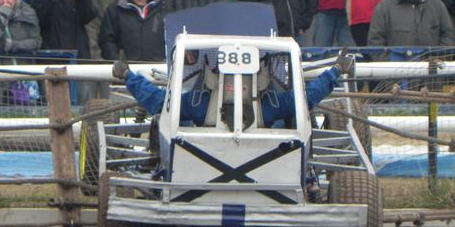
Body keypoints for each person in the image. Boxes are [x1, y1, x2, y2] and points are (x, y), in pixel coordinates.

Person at [111, 51, 353, 127]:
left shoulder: (197, 102)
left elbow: (155, 101)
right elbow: (307, 98)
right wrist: (334, 72)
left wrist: (128, 76)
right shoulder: (273, 104)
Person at [99, 0, 166, 62]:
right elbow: (106, 42)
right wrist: (117, 62)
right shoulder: (114, 10)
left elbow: (172, 37)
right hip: (127, 74)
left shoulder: (163, 7)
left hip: (158, 71)